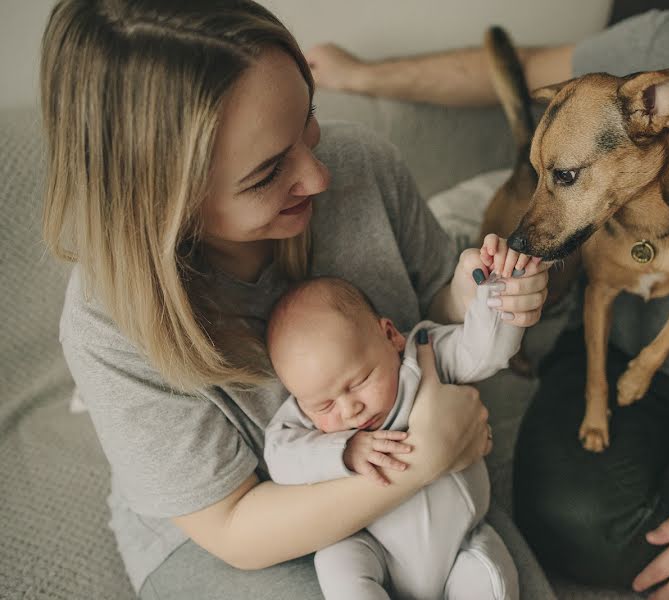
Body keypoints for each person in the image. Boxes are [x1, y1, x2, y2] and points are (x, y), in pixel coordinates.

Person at [306, 1, 669, 598]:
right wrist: (360, 76)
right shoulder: (656, 51)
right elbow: (522, 71)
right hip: (611, 347)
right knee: (561, 516)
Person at [40, 1, 555, 599]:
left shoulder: (362, 164)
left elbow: (434, 309)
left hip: (414, 463)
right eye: (265, 175)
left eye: (307, 116)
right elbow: (234, 528)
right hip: (249, 520)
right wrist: (426, 459)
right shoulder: (109, 323)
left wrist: (475, 294)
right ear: (158, 202)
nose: (319, 177)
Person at [264, 246, 533, 598]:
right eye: (325, 404)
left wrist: (498, 294)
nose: (349, 410)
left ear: (390, 336)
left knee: (491, 576)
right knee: (335, 560)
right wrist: (341, 451)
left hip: (461, 542)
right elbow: (279, 457)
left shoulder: (423, 355)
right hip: (376, 547)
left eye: (359, 381)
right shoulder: (306, 417)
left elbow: (483, 353)